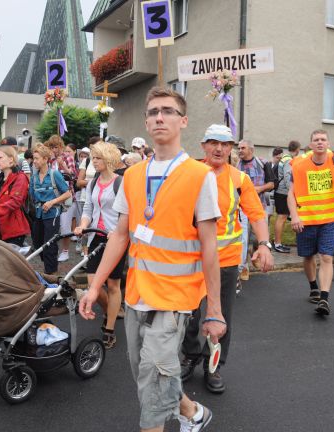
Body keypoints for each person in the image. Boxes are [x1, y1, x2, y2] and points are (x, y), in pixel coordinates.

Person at [79, 87, 227, 432]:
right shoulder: (132, 175)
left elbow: (209, 248)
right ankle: (192, 413)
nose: (159, 117)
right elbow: (119, 235)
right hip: (136, 296)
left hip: (175, 300)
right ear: (146, 122)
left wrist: (215, 310)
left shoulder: (199, 175)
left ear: (183, 121)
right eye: (153, 112)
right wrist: (94, 286)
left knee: (153, 386)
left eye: (168, 111)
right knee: (147, 375)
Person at [181, 124, 274, 394]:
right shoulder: (191, 174)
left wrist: (264, 245)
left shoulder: (239, 179)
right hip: (192, 259)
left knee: (220, 317)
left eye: (224, 144)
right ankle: (191, 355)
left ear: (231, 148)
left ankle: (214, 366)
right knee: (189, 314)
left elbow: (256, 214)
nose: (218, 148)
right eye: (213, 142)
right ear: (203, 146)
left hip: (226, 260)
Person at [287, 130, 334, 315]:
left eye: (323, 140)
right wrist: (294, 216)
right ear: (310, 145)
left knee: (326, 257)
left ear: (328, 144)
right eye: (316, 140)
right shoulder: (300, 165)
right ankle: (313, 287)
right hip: (306, 219)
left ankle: (324, 299)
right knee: (308, 256)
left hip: (330, 219)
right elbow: (291, 194)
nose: (320, 142)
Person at [74, 141, 124, 349]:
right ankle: (111, 310)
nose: (94, 161)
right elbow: (88, 208)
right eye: (93, 158)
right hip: (96, 237)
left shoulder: (120, 182)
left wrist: (118, 231)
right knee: (89, 281)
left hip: (116, 238)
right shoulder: (93, 182)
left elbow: (126, 213)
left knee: (112, 284)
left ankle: (109, 328)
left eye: (98, 158)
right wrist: (83, 225)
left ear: (109, 159)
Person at [236, 139, 276, 281]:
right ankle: (244, 267)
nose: (240, 150)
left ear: (251, 150)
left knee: (257, 238)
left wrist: (258, 189)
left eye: (243, 148)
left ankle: (256, 252)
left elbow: (272, 184)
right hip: (241, 210)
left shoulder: (263, 163)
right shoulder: (236, 165)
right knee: (243, 239)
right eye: (239, 148)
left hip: (259, 208)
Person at [29, 144, 72, 274]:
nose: (34, 161)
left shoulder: (55, 174)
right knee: (37, 243)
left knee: (49, 243)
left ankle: (51, 273)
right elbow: (31, 195)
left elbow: (68, 193)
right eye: (34, 158)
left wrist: (52, 201)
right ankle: (49, 264)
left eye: (37, 158)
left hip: (53, 213)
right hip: (38, 213)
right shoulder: (34, 177)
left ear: (45, 159)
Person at [46, 134, 78, 262]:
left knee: (65, 226)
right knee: (54, 226)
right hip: (53, 196)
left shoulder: (68, 158)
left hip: (66, 197)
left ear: (61, 146)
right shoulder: (49, 160)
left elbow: (74, 176)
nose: (54, 150)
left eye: (56, 147)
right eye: (52, 147)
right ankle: (53, 250)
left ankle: (65, 251)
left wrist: (63, 166)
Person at [273, 140, 301, 253]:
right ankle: (277, 244)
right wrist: (293, 193)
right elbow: (287, 178)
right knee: (282, 218)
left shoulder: (284, 157)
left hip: (281, 192)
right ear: (297, 149)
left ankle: (277, 243)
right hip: (283, 193)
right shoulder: (289, 159)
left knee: (281, 217)